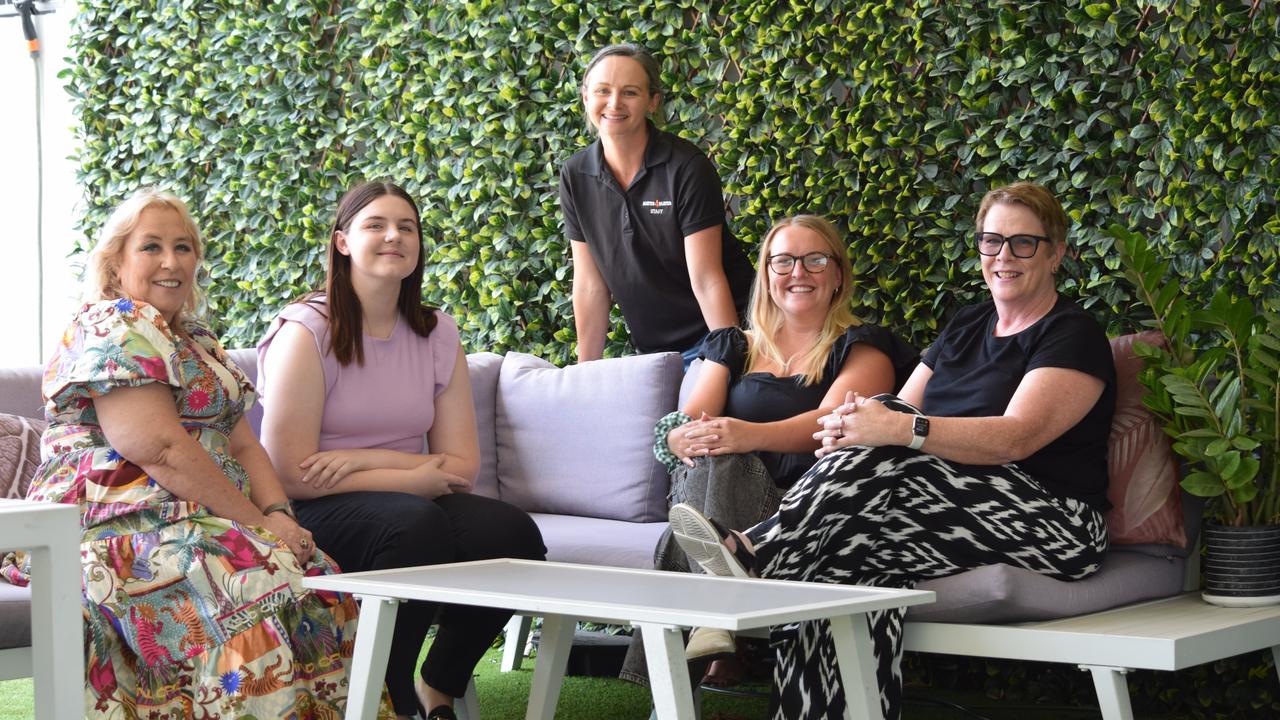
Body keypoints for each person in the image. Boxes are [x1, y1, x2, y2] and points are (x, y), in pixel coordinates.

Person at [669, 182, 1116, 720]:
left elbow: (1015, 437)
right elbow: (895, 407)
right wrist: (850, 429)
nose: (1003, 256)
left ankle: (755, 554)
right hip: (946, 511)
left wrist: (894, 430)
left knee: (887, 441)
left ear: (1055, 252)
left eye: (1023, 243)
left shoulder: (1071, 332)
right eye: (991, 241)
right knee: (845, 569)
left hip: (1052, 522)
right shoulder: (967, 323)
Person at [7, 190, 390, 717]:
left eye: (183, 247)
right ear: (116, 263)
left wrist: (280, 517)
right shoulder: (111, 325)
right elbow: (158, 449)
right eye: (151, 247)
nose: (171, 261)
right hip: (113, 524)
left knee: (318, 579)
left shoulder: (197, 339)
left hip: (204, 516)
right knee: (250, 584)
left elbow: (241, 440)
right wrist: (257, 525)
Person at [256, 180, 546, 720]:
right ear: (342, 242)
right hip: (319, 505)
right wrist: (412, 477)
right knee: (415, 525)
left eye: (406, 227)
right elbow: (289, 472)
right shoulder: (308, 330)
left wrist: (372, 462)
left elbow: (460, 466)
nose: (394, 236)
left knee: (513, 534)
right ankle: (385, 698)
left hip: (396, 493)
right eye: (376, 225)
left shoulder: (437, 332)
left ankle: (438, 685)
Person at [620, 215, 917, 686]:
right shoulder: (734, 345)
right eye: (783, 261)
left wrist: (748, 435)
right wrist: (678, 436)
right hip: (713, 493)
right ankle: (716, 614)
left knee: (709, 486)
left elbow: (835, 424)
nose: (798, 272)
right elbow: (694, 419)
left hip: (796, 512)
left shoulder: (863, 345)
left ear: (838, 274)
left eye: (815, 260)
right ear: (766, 274)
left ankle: (699, 644)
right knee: (714, 455)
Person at [561, 43, 755, 366]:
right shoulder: (575, 175)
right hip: (656, 355)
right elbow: (590, 285)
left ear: (653, 101)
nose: (614, 103)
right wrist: (585, 375)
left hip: (723, 332)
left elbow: (706, 279)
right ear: (585, 97)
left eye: (630, 92)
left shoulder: (687, 167)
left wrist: (731, 363)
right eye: (602, 91)